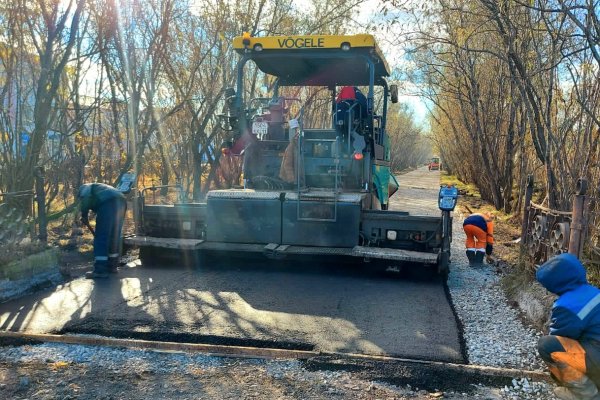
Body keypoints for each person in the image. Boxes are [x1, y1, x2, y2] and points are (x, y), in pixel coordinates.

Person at [536, 253, 600, 400]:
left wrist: (556, 375)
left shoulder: (567, 305)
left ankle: (587, 394)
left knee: (547, 345)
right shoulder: (593, 291)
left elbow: (561, 338)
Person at [78, 183, 127, 279]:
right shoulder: (100, 188)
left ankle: (100, 270)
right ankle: (112, 266)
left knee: (101, 236)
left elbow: (85, 199)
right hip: (122, 202)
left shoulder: (86, 188)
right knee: (114, 235)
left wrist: (84, 215)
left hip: (108, 204)